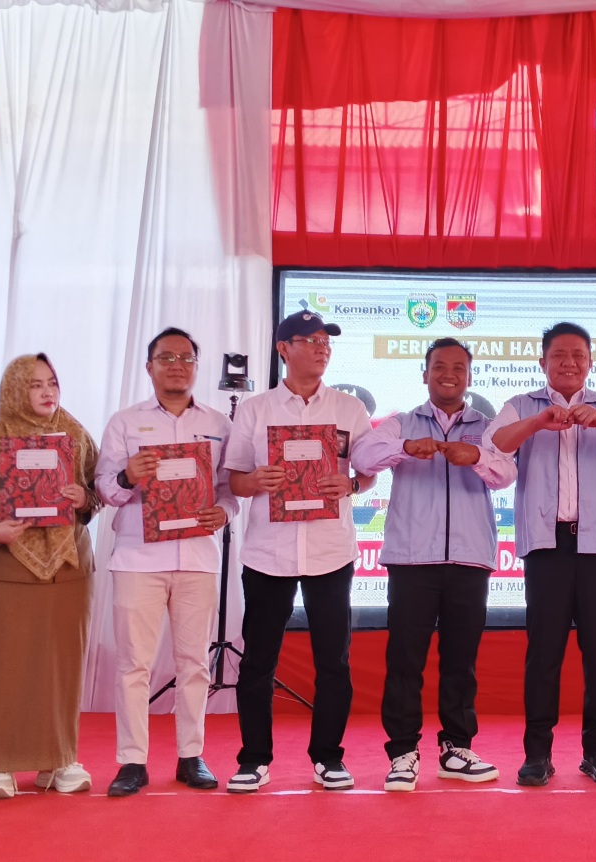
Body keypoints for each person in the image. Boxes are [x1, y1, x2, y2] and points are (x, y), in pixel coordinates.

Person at [484, 322, 596, 787]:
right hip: (547, 544)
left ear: (590, 362)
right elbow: (494, 444)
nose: (569, 363)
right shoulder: (522, 405)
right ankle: (537, 753)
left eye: (578, 355)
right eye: (559, 355)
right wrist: (537, 423)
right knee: (544, 652)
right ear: (543, 362)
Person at [351, 337, 515, 791]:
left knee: (461, 661)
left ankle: (456, 748)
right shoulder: (401, 423)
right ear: (424, 374)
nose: (449, 374)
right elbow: (362, 457)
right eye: (440, 366)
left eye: (459, 367)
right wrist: (406, 447)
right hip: (411, 559)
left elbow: (507, 473)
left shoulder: (488, 428)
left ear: (469, 376)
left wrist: (476, 456)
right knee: (405, 659)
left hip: (470, 558)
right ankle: (403, 752)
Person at [223, 310, 374, 793]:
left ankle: (328, 757)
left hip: (330, 550)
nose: (321, 348)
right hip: (268, 552)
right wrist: (256, 480)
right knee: (258, 661)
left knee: (334, 661)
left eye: (326, 341)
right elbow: (235, 480)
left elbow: (368, 473)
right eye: (310, 340)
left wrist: (351, 484)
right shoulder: (255, 409)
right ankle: (253, 759)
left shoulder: (350, 408)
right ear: (283, 349)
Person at [94, 327, 238, 797]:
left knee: (194, 663)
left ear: (196, 366)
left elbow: (228, 490)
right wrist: (126, 475)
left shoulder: (219, 424)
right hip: (138, 557)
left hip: (197, 557)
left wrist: (225, 512)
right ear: (149, 366)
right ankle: (132, 761)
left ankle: (191, 755)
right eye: (167, 357)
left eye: (186, 358)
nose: (177, 365)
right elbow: (105, 491)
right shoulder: (124, 422)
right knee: (133, 665)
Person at [0, 354, 101, 800]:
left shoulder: (77, 437)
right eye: (34, 384)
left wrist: (83, 499)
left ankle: (59, 760)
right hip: (2, 569)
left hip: (67, 570)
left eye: (52, 382)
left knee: (60, 667)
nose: (46, 392)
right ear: (14, 389)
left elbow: (98, 492)